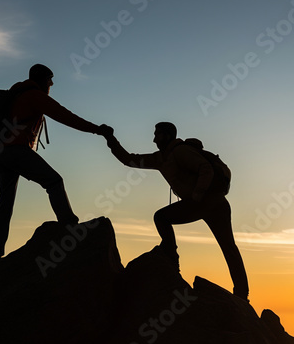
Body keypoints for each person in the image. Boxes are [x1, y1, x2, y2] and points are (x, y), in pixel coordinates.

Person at [102, 122, 249, 300]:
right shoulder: (160, 158)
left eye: (157, 134)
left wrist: (197, 195)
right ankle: (172, 256)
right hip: (205, 203)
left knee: (225, 246)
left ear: (167, 135)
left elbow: (206, 168)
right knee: (226, 247)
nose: (154, 139)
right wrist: (111, 140)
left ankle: (240, 293)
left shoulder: (180, 151)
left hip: (211, 203)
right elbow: (129, 159)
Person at [0, 63, 109, 265]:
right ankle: (69, 226)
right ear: (43, 79)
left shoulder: (16, 94)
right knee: (53, 181)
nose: (51, 84)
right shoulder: (35, 95)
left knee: (5, 205)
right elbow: (66, 116)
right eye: (50, 80)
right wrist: (96, 129)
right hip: (16, 150)